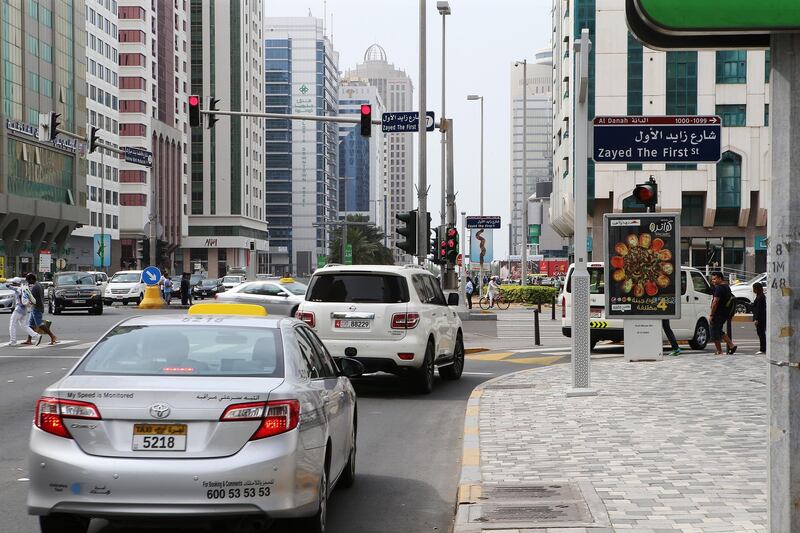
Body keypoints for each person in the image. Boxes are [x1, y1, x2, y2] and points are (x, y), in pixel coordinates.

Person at [709, 271, 737, 355]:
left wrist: (711, 314)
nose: (713, 281)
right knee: (718, 330)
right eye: (712, 279)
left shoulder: (719, 288)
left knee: (714, 331)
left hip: (718, 313)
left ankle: (722, 349)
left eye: (714, 279)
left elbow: (715, 302)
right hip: (724, 313)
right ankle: (729, 346)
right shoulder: (726, 287)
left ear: (720, 278)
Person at [24, 273, 56, 346]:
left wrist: (26, 295)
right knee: (31, 324)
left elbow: (31, 297)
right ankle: (29, 340)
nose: (28, 282)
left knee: (39, 324)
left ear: (32, 279)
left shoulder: (35, 287)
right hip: (36, 307)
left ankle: (52, 336)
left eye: (28, 280)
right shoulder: (39, 284)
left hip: (37, 307)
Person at [7, 278, 40, 347]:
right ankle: (36, 336)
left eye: (13, 283)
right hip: (24, 309)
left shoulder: (18, 289)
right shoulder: (24, 289)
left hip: (19, 309)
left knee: (12, 324)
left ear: (16, 283)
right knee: (24, 326)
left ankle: (13, 341)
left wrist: (5, 281)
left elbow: (8, 286)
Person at [752, 283, 766, 354]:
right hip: (761, 317)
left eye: (754, 288)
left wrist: (756, 319)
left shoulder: (760, 297)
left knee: (761, 333)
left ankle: (763, 349)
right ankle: (763, 348)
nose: (753, 290)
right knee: (761, 333)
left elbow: (759, 309)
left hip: (760, 318)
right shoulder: (760, 296)